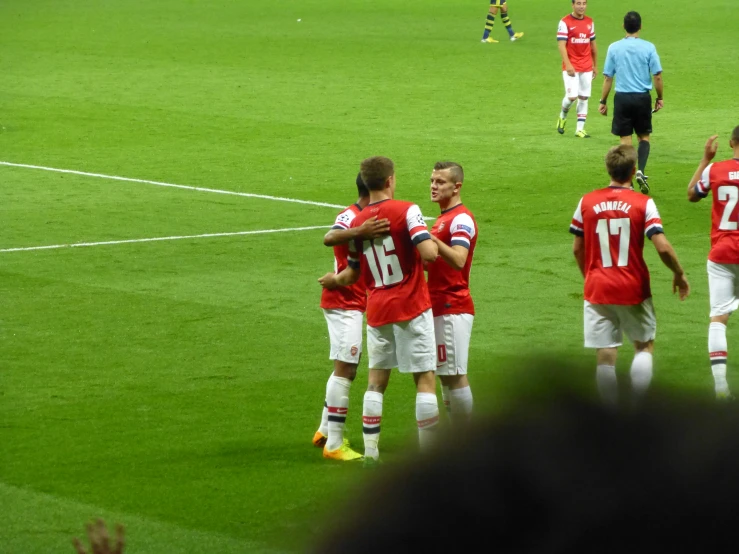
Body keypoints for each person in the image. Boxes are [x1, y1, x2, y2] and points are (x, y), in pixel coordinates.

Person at [318, 156, 439, 467]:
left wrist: (333, 281)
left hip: (377, 308)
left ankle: (371, 453)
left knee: (375, 381)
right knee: (424, 378)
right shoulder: (407, 210)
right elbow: (429, 254)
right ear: (390, 181)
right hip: (412, 304)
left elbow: (350, 275)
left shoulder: (358, 226)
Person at [569, 145, 689, 406]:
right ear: (634, 172)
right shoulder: (643, 203)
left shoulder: (586, 201)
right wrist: (679, 273)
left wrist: (589, 276)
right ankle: (636, 409)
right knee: (644, 346)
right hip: (633, 287)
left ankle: (610, 417)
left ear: (608, 169)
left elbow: (577, 247)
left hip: (597, 288)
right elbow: (662, 246)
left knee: (605, 354)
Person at [313, 173, 390, 461]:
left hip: (355, 300)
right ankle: (334, 444)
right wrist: (361, 231)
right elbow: (329, 237)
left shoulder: (368, 215)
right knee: (345, 367)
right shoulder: (351, 215)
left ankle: (323, 430)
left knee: (349, 366)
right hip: (343, 301)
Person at [687, 128, 739, 400]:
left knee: (718, 318)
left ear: (731, 144)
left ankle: (720, 387)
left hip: (722, 253)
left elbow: (692, 194)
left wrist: (705, 160)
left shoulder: (716, 170)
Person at [427, 162, 477, 422]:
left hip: (452, 305)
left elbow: (458, 259)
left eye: (440, 182)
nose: (434, 186)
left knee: (455, 375)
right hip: (438, 304)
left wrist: (432, 240)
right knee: (445, 374)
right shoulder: (442, 219)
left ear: (456, 187)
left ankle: (469, 443)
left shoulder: (460, 219)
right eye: (432, 181)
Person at [598, 11, 664, 194]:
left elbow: (608, 78)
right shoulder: (649, 47)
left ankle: (628, 178)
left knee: (625, 141)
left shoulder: (613, 48)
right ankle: (641, 170)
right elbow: (657, 76)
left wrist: (602, 101)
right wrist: (660, 97)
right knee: (644, 137)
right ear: (640, 26)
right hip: (642, 98)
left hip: (622, 98)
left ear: (623, 26)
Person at [556, 0, 598, 139]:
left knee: (584, 97)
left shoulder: (589, 22)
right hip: (572, 66)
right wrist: (568, 64)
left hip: (586, 65)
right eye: (578, 3)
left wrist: (595, 65)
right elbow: (561, 45)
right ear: (572, 5)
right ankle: (563, 115)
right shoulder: (565, 22)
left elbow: (593, 45)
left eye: (584, 3)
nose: (581, 6)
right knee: (572, 97)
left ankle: (580, 129)